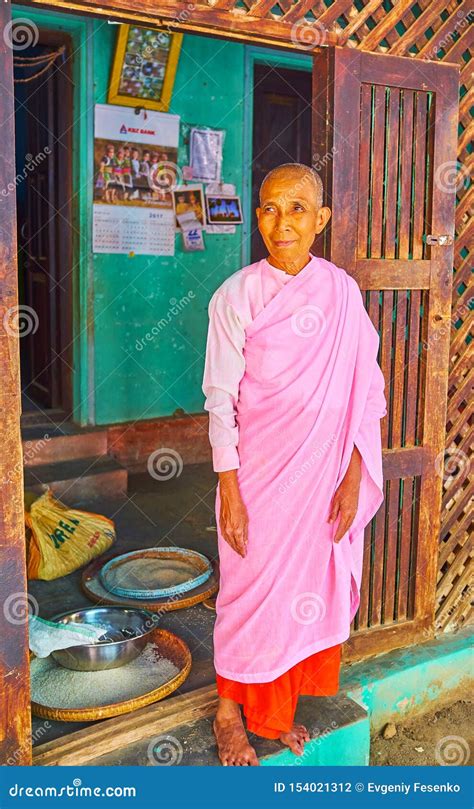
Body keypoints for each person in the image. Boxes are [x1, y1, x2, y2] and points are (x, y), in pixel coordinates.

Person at [202, 163, 387, 766]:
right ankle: (229, 711)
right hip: (257, 477)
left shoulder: (341, 292)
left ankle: (272, 712)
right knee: (246, 589)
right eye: (268, 208)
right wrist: (229, 490)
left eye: (297, 208)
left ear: (322, 219)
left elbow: (365, 393)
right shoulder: (236, 296)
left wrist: (355, 475)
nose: (280, 223)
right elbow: (220, 400)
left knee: (302, 591)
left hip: (325, 477)